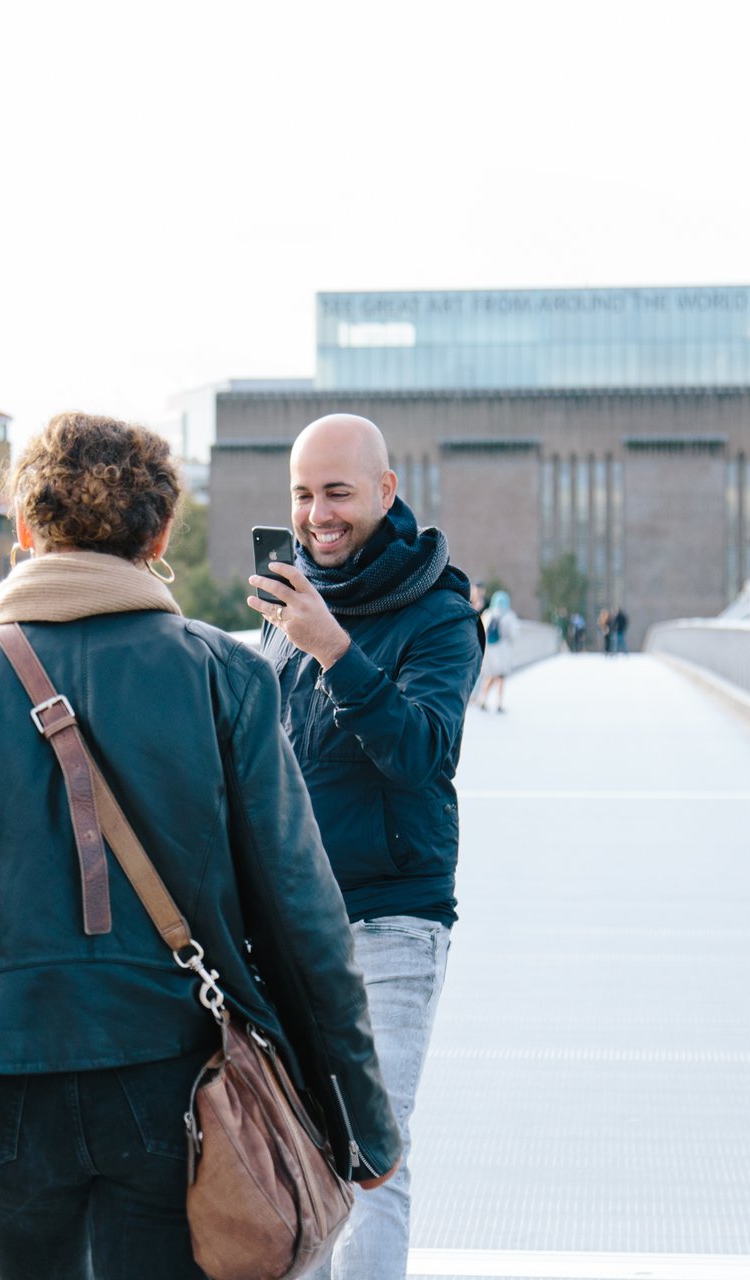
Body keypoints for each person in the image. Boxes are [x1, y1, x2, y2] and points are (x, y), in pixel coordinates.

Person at [0, 411, 400, 1279]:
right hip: (178, 1076)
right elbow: (301, 915)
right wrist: (358, 1121)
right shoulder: (224, 675)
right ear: (161, 532)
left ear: (25, 527)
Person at [245, 413, 482, 1279]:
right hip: (288, 922)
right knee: (290, 1155)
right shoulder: (290, 608)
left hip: (391, 917)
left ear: (386, 491)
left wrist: (335, 651)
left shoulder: (441, 614)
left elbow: (423, 753)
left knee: (371, 1155)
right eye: (303, 495)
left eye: (338, 493)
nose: (318, 516)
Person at [474, 590, 519, 713]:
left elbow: (482, 631)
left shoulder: (488, 613)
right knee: (500, 678)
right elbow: (513, 635)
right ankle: (499, 704)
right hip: (502, 651)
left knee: (489, 676)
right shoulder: (509, 616)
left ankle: (482, 700)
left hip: (489, 651)